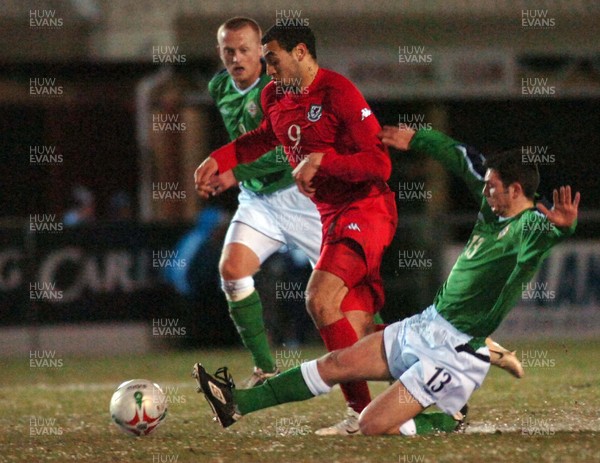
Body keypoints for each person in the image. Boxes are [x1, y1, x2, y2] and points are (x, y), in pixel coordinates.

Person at [192, 126, 579, 435]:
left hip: (456, 351)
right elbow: (464, 160)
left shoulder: (530, 226)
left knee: (371, 425)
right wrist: (417, 139)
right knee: (336, 362)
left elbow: (540, 243)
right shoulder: (494, 209)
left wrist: (560, 229)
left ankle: (448, 418)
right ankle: (236, 403)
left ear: (515, 190)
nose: (484, 189)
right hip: (427, 323)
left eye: (492, 186)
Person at [195, 23, 398, 435]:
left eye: (272, 59)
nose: (266, 69)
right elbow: (261, 139)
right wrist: (219, 158)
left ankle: (360, 415)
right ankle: (451, 360)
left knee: (320, 300)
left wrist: (324, 161)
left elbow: (380, 165)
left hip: (367, 208)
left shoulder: (338, 91)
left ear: (301, 52)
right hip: (329, 214)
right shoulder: (274, 95)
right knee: (358, 333)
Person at [205, 17, 323, 387]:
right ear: (220, 53)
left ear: (260, 51)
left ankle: (412, 364)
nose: (237, 58)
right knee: (232, 270)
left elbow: (289, 148)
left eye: (244, 50)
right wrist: (233, 171)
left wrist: (232, 171)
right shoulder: (219, 86)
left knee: (351, 297)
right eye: (229, 51)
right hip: (258, 200)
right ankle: (264, 368)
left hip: (299, 197)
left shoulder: (278, 88)